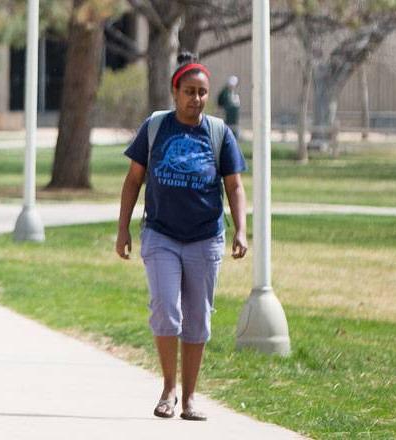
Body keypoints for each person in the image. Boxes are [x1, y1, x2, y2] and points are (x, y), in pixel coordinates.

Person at [115, 58, 247, 423]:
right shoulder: (156, 127)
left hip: (205, 237)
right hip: (161, 234)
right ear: (175, 93)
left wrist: (241, 230)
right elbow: (132, 181)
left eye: (202, 92)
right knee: (165, 309)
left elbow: (234, 186)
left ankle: (189, 398)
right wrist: (122, 228)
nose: (197, 98)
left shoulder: (219, 132)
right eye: (189, 92)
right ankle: (168, 389)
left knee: (198, 318)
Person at [217, 75, 241, 141]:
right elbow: (221, 102)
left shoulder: (231, 92)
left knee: (234, 128)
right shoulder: (225, 92)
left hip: (233, 117)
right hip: (227, 116)